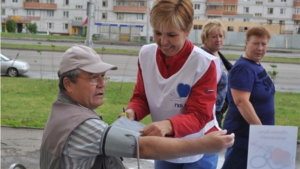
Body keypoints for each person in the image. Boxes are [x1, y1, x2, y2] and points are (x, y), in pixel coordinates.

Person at [39, 45, 235, 169]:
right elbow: (145, 147)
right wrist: (205, 144)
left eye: (102, 76)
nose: (102, 84)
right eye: (93, 78)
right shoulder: (84, 126)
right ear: (68, 84)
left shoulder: (61, 110)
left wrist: (134, 111)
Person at [121, 0, 224, 168]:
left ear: (188, 30)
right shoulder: (146, 54)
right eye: (157, 33)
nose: (163, 41)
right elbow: (142, 96)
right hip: (165, 143)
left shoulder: (204, 63)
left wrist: (167, 125)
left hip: (199, 145)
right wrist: (132, 113)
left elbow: (199, 115)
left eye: (171, 34)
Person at [221, 26, 275, 169]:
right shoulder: (243, 68)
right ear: (246, 43)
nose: (260, 48)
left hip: (255, 137)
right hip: (245, 136)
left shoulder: (255, 65)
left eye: (263, 44)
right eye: (256, 43)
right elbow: (241, 101)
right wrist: (261, 132)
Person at [200, 19, 232, 128]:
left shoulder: (216, 54)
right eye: (214, 37)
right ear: (205, 38)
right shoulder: (202, 57)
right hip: (206, 113)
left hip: (217, 111)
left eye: (221, 36)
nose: (218, 39)